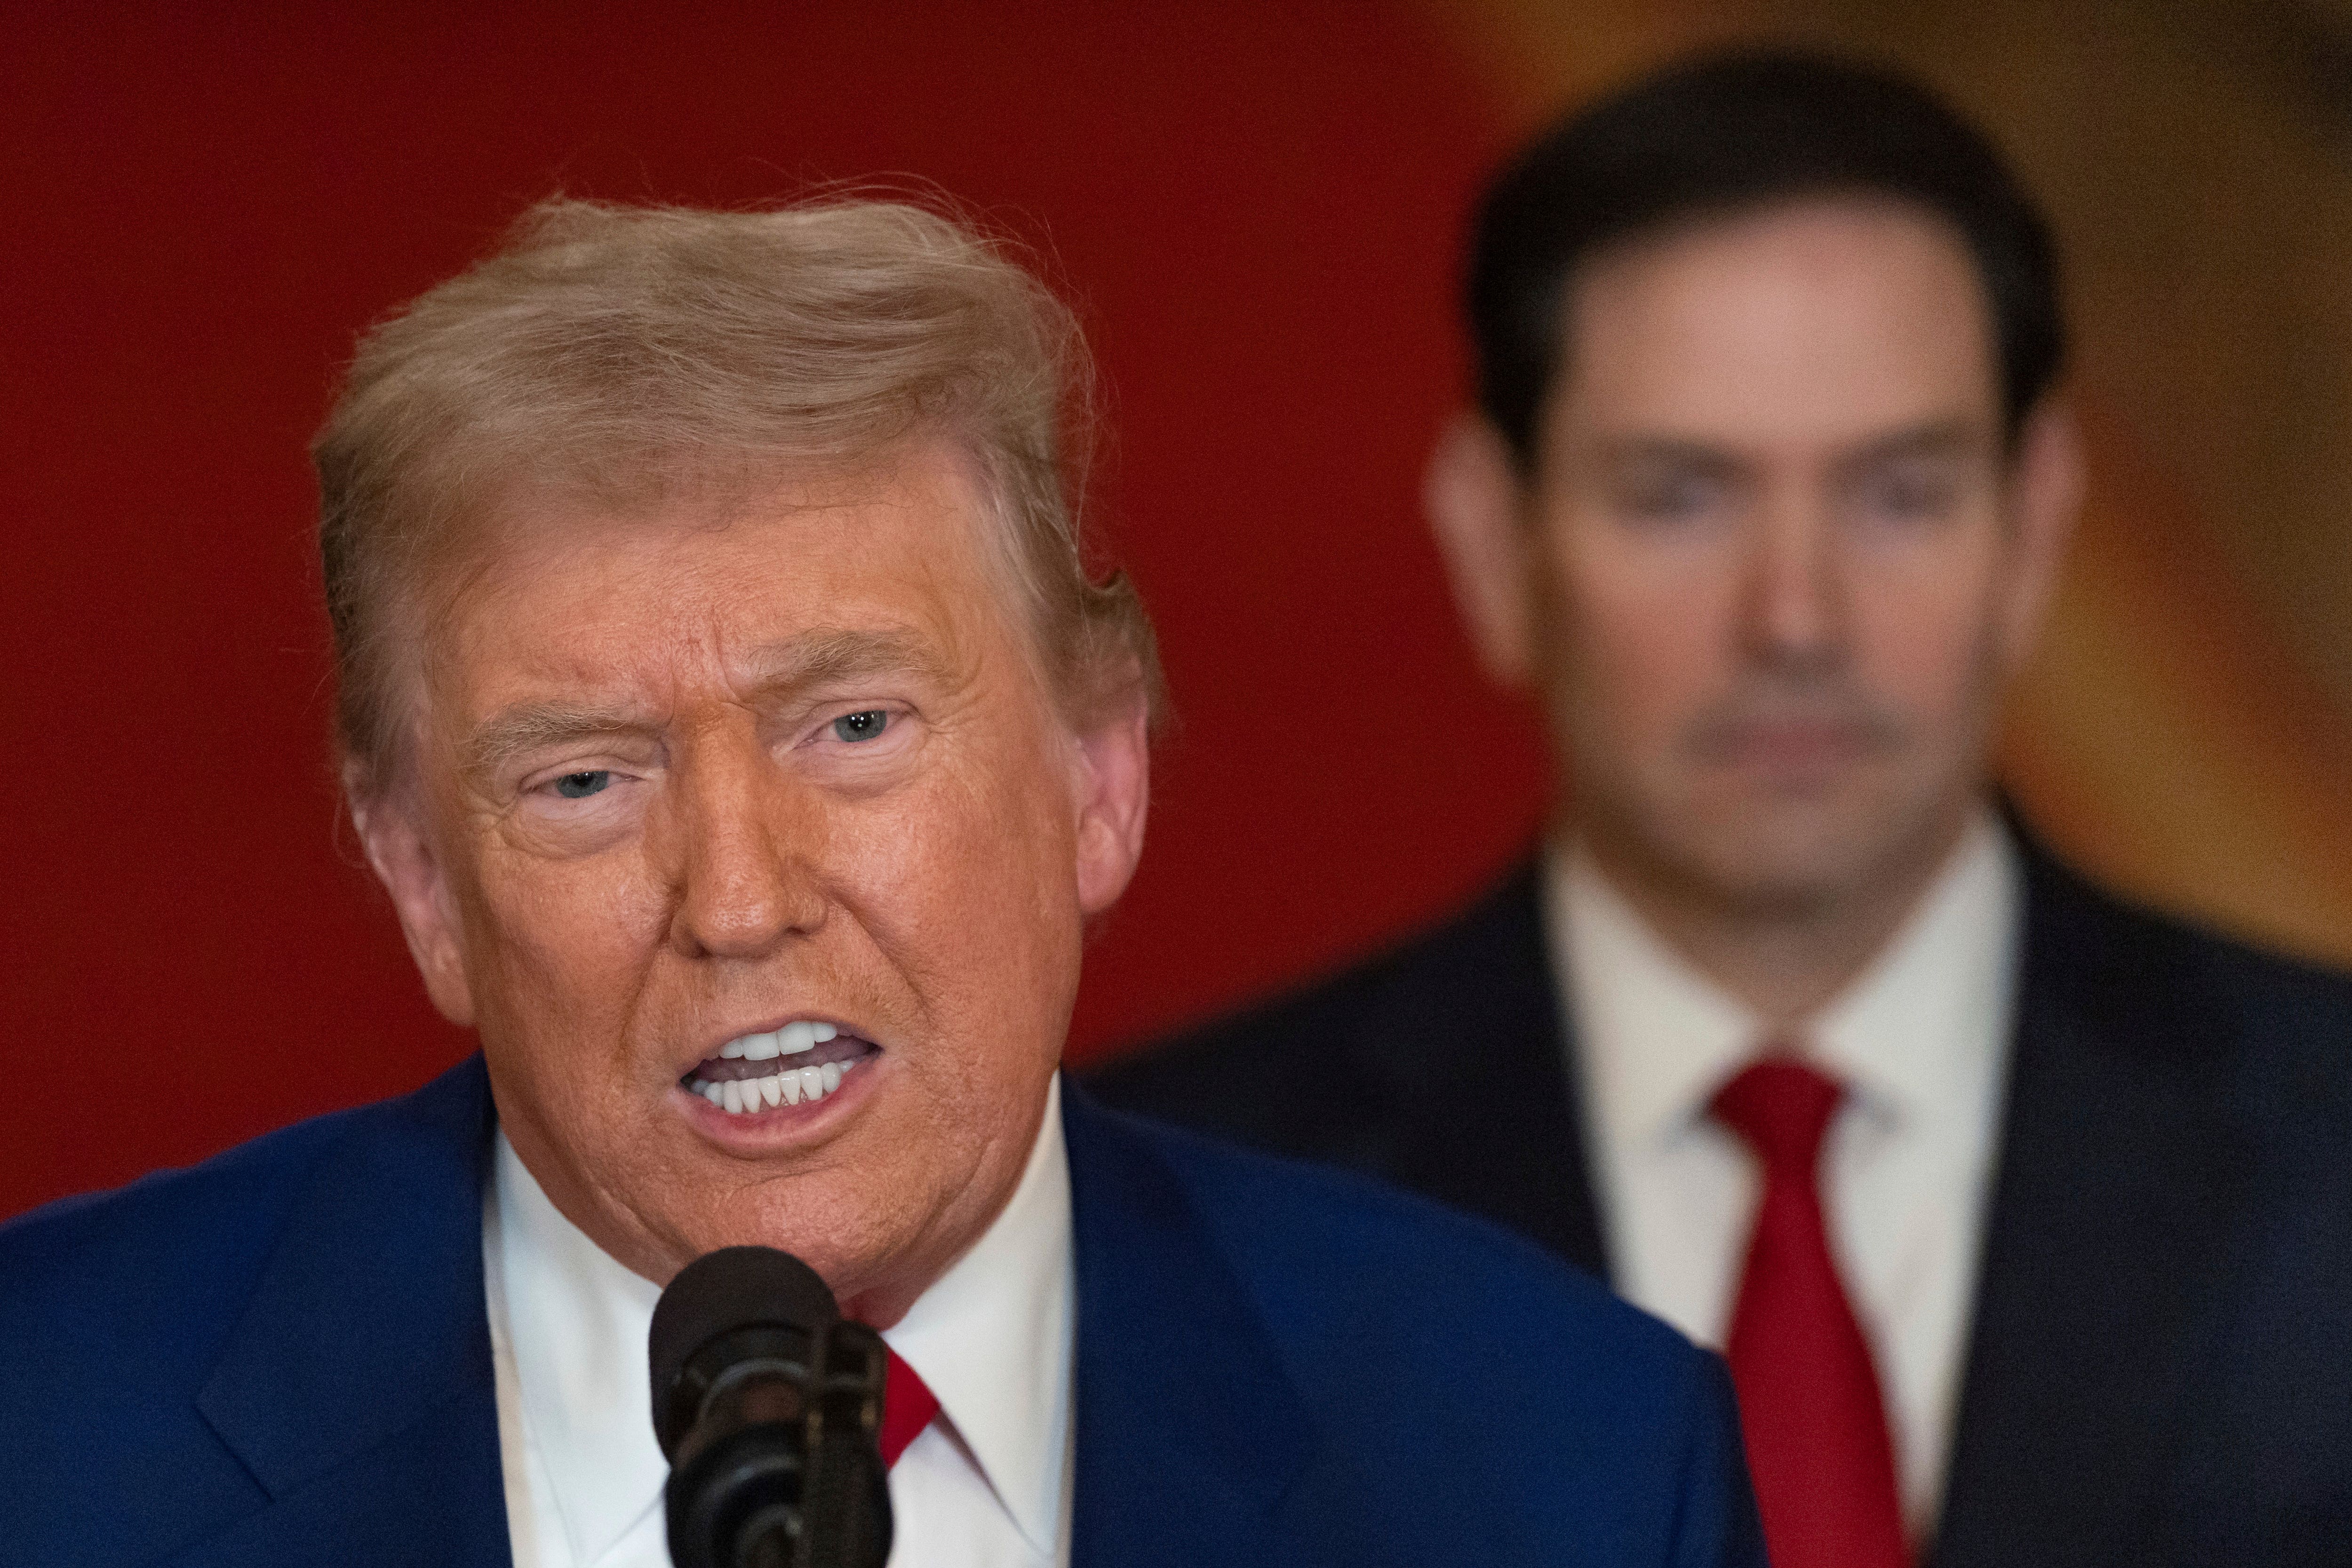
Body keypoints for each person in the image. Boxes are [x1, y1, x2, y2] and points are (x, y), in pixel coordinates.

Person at [0, 198, 1762, 1568]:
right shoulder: (46, 1440)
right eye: (587, 778)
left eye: (851, 724)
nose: (741, 897)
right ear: (420, 881)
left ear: (1100, 775)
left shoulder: (1557, 1465)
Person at [1091, 49, 2352, 1568]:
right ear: (1497, 546)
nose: (1797, 616)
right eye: (1680, 496)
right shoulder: (1168, 1217)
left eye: (1900, 492)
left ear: (2034, 534)